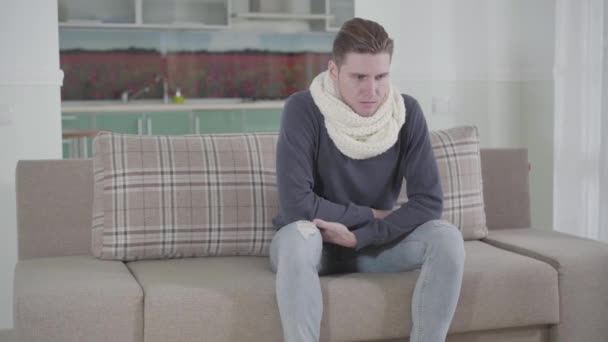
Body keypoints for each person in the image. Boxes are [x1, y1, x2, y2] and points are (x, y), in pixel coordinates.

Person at [270, 17, 465, 342]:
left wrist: (364, 235)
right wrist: (369, 215)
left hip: (374, 246)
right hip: (313, 245)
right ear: (334, 71)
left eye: (381, 76)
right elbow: (296, 207)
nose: (371, 90)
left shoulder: (407, 114)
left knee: (447, 238)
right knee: (298, 236)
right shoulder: (302, 108)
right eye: (359, 77)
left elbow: (429, 201)